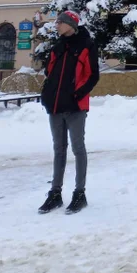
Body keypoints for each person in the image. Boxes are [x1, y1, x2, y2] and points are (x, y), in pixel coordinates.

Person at [38, 11, 101, 215]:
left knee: (78, 148)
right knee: (59, 150)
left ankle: (79, 193)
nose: (56, 26)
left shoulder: (86, 45)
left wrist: (78, 93)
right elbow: (49, 70)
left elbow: (93, 76)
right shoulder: (58, 46)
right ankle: (55, 193)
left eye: (59, 23)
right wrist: (48, 92)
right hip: (55, 106)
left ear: (69, 25)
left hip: (75, 107)